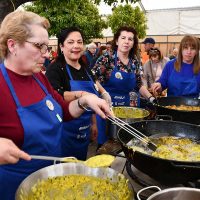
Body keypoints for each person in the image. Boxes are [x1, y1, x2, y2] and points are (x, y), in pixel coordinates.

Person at [0, 10, 112, 200]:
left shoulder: (39, 78)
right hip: (14, 188)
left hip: (52, 180)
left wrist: (85, 101)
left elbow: (63, 110)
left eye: (46, 46)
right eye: (39, 46)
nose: (46, 54)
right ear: (13, 45)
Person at [46, 27, 110, 160]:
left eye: (79, 42)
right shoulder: (56, 68)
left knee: (80, 166)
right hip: (64, 131)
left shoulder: (85, 67)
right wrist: (81, 94)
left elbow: (93, 87)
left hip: (84, 129)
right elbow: (55, 94)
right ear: (61, 46)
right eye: (70, 42)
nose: (76, 46)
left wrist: (93, 123)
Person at [92, 26, 155, 147]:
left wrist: (150, 98)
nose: (126, 41)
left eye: (130, 39)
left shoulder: (135, 61)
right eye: (123, 38)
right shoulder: (107, 58)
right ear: (117, 41)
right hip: (109, 112)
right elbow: (93, 78)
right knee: (108, 147)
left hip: (130, 113)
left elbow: (138, 84)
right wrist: (104, 93)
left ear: (133, 43)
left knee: (129, 146)